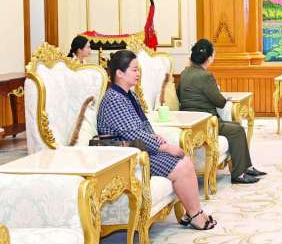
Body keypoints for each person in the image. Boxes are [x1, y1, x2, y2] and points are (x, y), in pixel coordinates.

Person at [97, 50, 217, 230]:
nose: (138, 74)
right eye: (134, 70)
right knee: (181, 165)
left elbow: (142, 125)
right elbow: (133, 134)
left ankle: (193, 212)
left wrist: (155, 137)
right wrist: (164, 147)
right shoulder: (114, 99)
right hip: (126, 157)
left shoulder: (128, 95)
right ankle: (195, 215)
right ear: (119, 73)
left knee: (184, 160)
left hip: (139, 149)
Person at [177, 39, 265, 184]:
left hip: (191, 121)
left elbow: (180, 95)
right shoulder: (205, 76)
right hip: (206, 123)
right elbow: (219, 102)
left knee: (235, 127)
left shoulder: (185, 73)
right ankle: (238, 175)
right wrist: (223, 96)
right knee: (237, 130)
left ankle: (247, 167)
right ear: (209, 57)